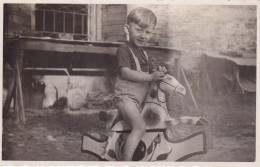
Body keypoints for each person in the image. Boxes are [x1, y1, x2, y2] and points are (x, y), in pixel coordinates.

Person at [114, 7, 167, 161]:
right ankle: (126, 161)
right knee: (140, 127)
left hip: (141, 101)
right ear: (127, 28)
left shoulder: (143, 54)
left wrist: (159, 72)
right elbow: (125, 72)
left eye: (148, 32)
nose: (143, 36)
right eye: (139, 30)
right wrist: (151, 76)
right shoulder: (124, 49)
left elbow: (150, 73)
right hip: (126, 99)